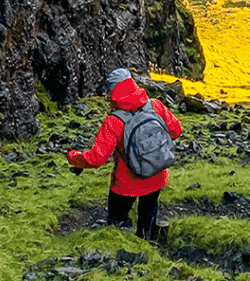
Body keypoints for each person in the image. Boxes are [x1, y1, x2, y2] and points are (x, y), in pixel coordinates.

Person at [66, 68, 182, 238]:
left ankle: (121, 252)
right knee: (148, 214)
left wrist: (74, 157)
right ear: (132, 84)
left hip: (126, 184)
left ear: (112, 91)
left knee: (117, 221)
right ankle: (147, 242)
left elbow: (97, 158)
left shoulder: (114, 121)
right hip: (157, 175)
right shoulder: (155, 105)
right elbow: (176, 130)